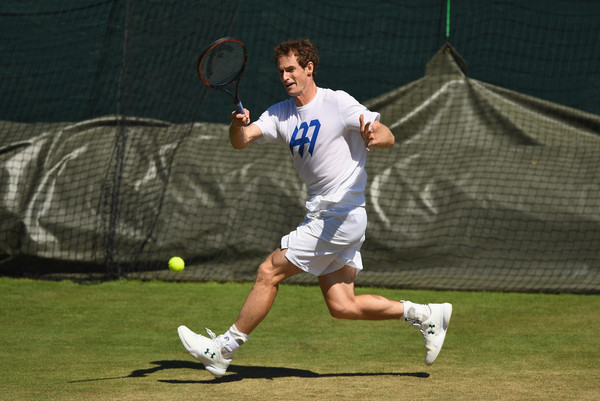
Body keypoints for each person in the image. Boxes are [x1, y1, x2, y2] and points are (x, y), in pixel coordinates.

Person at [177, 39, 452, 378]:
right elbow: (242, 140)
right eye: (281, 71)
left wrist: (376, 136)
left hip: (341, 215)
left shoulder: (337, 102)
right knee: (342, 305)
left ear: (309, 69)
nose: (286, 76)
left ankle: (223, 349)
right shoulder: (280, 113)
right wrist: (237, 124)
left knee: (269, 271)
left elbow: (385, 132)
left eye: (292, 69)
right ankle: (426, 315)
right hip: (324, 216)